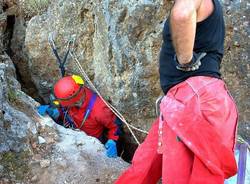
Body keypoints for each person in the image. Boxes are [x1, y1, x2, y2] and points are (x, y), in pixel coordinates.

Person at [115, 0, 238, 183]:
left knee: (190, 177)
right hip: (185, 100)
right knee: (145, 163)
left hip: (193, 99)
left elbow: (182, 14)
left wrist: (185, 61)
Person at [38, 75, 123, 158]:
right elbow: (63, 109)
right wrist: (54, 112)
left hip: (92, 141)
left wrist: (112, 141)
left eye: (67, 104)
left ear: (74, 101)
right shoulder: (73, 95)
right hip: (72, 130)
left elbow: (115, 126)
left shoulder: (100, 110)